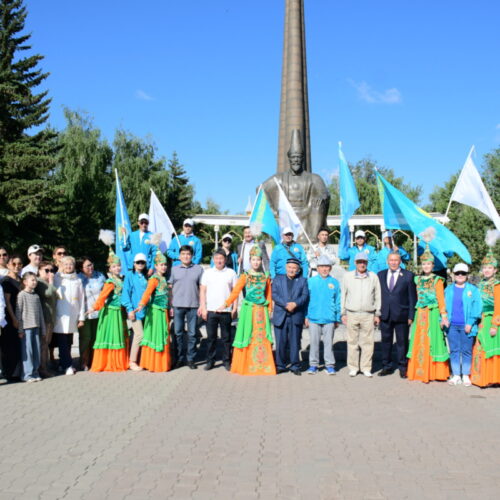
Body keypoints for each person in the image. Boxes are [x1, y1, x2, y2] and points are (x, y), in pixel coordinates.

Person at [218, 245, 276, 375]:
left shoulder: (265, 276)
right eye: (253, 260)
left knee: (261, 337)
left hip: (261, 310)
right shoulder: (245, 276)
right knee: (248, 335)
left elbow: (268, 294)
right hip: (249, 310)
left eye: (258, 260)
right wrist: (226, 304)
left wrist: (270, 308)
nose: (256, 262)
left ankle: (262, 365)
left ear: (261, 261)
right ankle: (246, 365)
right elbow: (235, 291)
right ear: (249, 261)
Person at [406, 243, 450, 383]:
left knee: (433, 341)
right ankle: (420, 370)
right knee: (419, 341)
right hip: (420, 314)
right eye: (424, 264)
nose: (426, 266)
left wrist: (443, 316)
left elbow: (441, 299)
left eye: (428, 264)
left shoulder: (437, 280)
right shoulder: (417, 279)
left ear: (432, 265)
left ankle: (434, 372)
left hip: (433, 312)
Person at [88, 241, 129, 372]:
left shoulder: (120, 280)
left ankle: (117, 361)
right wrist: (94, 307)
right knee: (112, 336)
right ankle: (110, 362)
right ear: (110, 269)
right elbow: (103, 296)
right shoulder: (110, 281)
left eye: (118, 266)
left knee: (119, 336)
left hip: (119, 312)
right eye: (114, 267)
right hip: (111, 313)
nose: (117, 268)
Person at [341, 252, 381, 377]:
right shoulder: (348, 277)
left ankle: (366, 367)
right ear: (355, 263)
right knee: (352, 342)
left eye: (364, 262)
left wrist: (377, 313)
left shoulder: (373, 277)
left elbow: (378, 296)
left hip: (368, 314)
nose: (362, 264)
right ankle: (353, 367)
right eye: (359, 262)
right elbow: (343, 295)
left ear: (367, 263)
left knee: (368, 342)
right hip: (352, 313)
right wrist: (343, 313)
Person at [377, 252, 417, 378]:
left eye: (396, 260)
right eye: (391, 260)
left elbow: (412, 298)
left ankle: (403, 367)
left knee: (402, 342)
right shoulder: (381, 275)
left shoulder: (408, 275)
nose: (393, 262)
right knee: (386, 342)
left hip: (402, 315)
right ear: (387, 261)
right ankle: (386, 366)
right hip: (385, 314)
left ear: (400, 262)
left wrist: (411, 315)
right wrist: (377, 313)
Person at [444, 263, 482, 386]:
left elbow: (477, 307)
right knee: (454, 350)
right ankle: (456, 375)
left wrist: (470, 322)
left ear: (467, 275)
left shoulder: (473, 290)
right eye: (457, 273)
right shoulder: (448, 289)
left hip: (467, 325)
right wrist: (443, 318)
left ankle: (465, 375)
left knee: (466, 351)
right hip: (452, 325)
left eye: (463, 273)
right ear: (453, 275)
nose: (460, 275)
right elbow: (443, 306)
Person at [200, 250, 237, 370]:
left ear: (225, 259)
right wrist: (203, 308)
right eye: (216, 258)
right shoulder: (207, 273)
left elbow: (235, 292)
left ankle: (227, 360)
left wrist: (234, 308)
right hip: (211, 310)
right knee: (211, 338)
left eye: (221, 258)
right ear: (213, 260)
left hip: (226, 311)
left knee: (226, 338)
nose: (219, 261)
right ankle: (210, 361)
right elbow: (202, 291)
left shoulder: (231, 273)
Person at [471, 237, 500, 387]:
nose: (487, 270)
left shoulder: (497, 284)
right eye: (485, 268)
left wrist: (495, 324)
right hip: (481, 320)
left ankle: (493, 378)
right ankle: (482, 377)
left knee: (491, 349)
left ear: (495, 270)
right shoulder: (480, 284)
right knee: (480, 348)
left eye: (490, 268)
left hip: (492, 320)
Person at [135, 250, 171, 372]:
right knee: (155, 337)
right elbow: (147, 293)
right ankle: (153, 363)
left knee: (161, 337)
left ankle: (160, 363)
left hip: (163, 312)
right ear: (156, 266)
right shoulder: (154, 279)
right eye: (161, 264)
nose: (164, 267)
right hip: (155, 312)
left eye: (165, 264)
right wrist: (141, 304)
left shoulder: (164, 278)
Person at [272, 258, 309, 375]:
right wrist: (286, 304)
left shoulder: (302, 280)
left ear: (298, 270)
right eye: (290, 267)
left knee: (295, 342)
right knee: (280, 342)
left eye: (294, 268)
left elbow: (305, 295)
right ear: (286, 267)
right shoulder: (278, 279)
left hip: (295, 315)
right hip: (281, 315)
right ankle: (280, 365)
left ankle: (295, 366)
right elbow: (274, 294)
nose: (292, 270)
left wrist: (295, 304)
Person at [169, 244, 204, 369]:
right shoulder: (174, 269)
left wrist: (202, 305)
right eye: (183, 254)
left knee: (192, 333)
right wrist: (170, 306)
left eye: (188, 254)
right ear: (179, 256)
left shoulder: (198, 269)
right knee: (177, 333)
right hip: (177, 306)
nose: (186, 256)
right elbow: (170, 288)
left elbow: (202, 288)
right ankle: (179, 358)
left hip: (193, 305)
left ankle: (190, 359)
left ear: (192, 256)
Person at [305, 255, 340, 375]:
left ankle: (329, 365)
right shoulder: (311, 282)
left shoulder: (335, 283)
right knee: (314, 343)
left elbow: (338, 301)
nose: (324, 269)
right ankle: (313, 365)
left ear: (330, 268)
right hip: (314, 318)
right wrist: (306, 316)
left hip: (329, 318)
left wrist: (337, 318)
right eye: (321, 267)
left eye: (327, 266)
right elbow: (306, 300)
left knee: (328, 343)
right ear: (317, 268)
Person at [53, 256, 85, 375]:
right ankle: (67, 365)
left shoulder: (78, 280)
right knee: (62, 341)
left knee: (69, 341)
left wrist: (81, 317)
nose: (68, 266)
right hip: (61, 315)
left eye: (70, 264)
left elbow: (81, 300)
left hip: (73, 315)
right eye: (65, 264)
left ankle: (63, 363)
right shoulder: (58, 278)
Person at [16, 272, 46, 382]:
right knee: (27, 352)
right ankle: (26, 374)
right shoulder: (21, 295)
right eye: (32, 280)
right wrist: (20, 329)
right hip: (26, 328)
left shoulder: (36, 296)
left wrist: (43, 329)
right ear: (25, 282)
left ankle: (35, 372)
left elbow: (40, 314)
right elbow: (19, 313)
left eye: (35, 280)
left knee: (36, 351)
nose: (35, 282)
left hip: (36, 327)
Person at [77, 257, 106, 371]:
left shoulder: (100, 276)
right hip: (84, 313)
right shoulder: (78, 278)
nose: (91, 267)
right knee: (86, 337)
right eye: (87, 266)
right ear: (81, 268)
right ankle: (83, 361)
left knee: (96, 337)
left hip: (99, 312)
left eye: (91, 264)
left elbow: (106, 291)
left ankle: (94, 360)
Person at [122, 253, 148, 371]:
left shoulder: (146, 276)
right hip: (135, 311)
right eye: (138, 262)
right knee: (139, 335)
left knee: (144, 336)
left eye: (142, 262)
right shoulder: (129, 276)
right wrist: (129, 309)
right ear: (134, 264)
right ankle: (132, 361)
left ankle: (142, 360)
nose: (140, 264)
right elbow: (125, 293)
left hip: (147, 311)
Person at [1, 255, 23, 381]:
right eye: (14, 264)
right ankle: (9, 373)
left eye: (19, 264)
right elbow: (7, 302)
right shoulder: (6, 281)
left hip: (21, 316)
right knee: (9, 346)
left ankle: (17, 372)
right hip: (10, 318)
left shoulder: (21, 280)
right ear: (8, 265)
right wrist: (14, 318)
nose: (17, 266)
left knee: (18, 345)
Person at [35, 261, 58, 377]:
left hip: (50, 317)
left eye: (52, 270)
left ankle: (44, 367)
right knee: (43, 344)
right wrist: (51, 282)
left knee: (46, 344)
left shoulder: (46, 282)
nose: (50, 273)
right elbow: (48, 294)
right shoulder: (39, 282)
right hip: (44, 318)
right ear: (39, 271)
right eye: (46, 270)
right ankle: (42, 369)